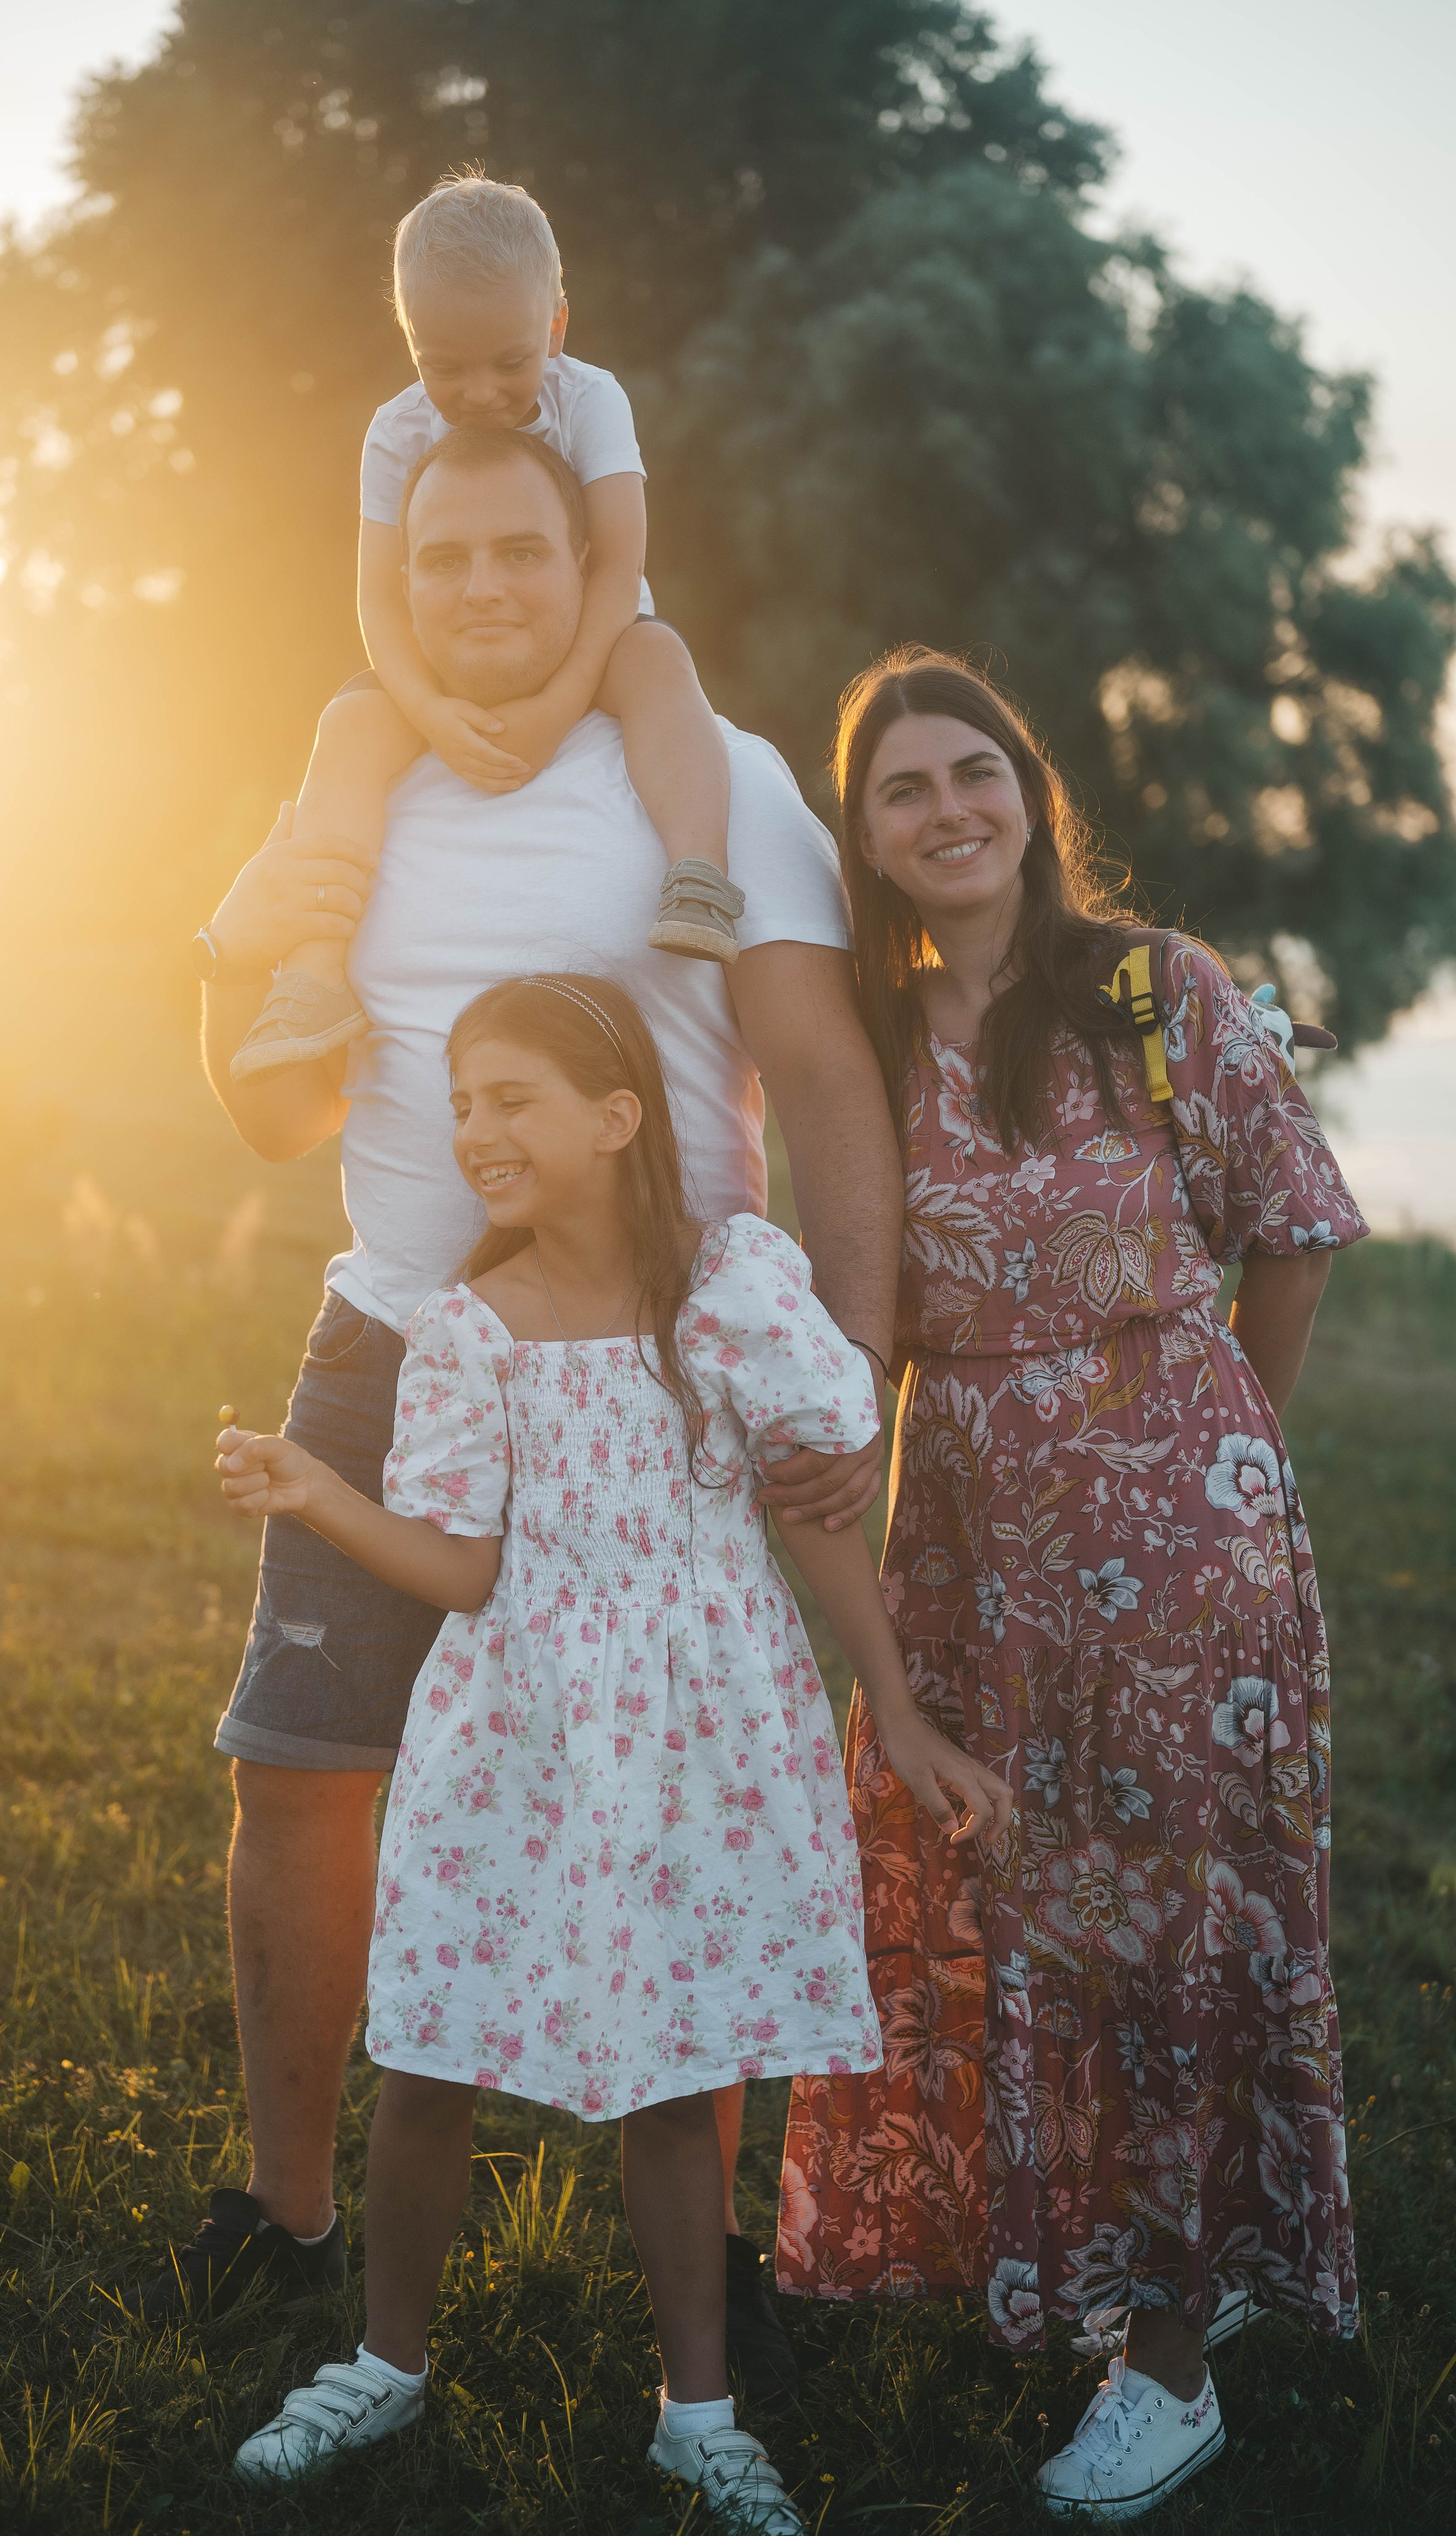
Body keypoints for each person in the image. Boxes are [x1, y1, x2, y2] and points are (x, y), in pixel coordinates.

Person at [152, 423, 905, 2397]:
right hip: (391, 1348)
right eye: (443, 559)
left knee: (678, 1793)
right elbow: (272, 1103)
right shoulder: (360, 788)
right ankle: (288, 2219)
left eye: (521, 554)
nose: (481, 589)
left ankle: (709, 2267)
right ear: (395, 583)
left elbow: (825, 1079)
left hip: (659, 1380)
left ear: (595, 574)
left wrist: (850, 1370)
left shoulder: (712, 777)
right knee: (301, 1773)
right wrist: (227, 971)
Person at [211, 975, 1010, 2522]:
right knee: (429, 2048)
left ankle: (695, 2411)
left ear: (617, 1116)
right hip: (513, 1730)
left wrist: (896, 1705)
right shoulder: (468, 1326)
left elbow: (816, 1491)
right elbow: (463, 1567)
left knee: (677, 2065)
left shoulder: (725, 1285)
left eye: (509, 1098)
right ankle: (384, 2361)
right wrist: (318, 1492)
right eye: (460, 1103)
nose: (475, 1130)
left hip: (703, 1728)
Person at [774, 650, 1366, 2523]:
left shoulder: (1151, 989)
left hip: (1186, 1540)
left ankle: (1173, 2365)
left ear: (1027, 796)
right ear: (866, 838)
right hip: (969, 1553)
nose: (947, 809)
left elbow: (1291, 1227)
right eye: (902, 789)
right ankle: (1119, 2259)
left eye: (975, 772)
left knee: (1180, 1927)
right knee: (1034, 1913)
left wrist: (1216, 1452)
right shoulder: (864, 1039)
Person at [229, 171, 742, 1088]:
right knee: (350, 726)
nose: (480, 392)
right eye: (444, 367)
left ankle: (699, 874)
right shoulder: (395, 432)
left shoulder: (591, 400)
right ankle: (314, 972)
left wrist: (560, 703)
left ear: (556, 327)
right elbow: (379, 601)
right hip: (449, 660)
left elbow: (616, 564)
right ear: (410, 344)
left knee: (660, 660)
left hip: (596, 633)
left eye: (510, 362)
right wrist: (427, 712)